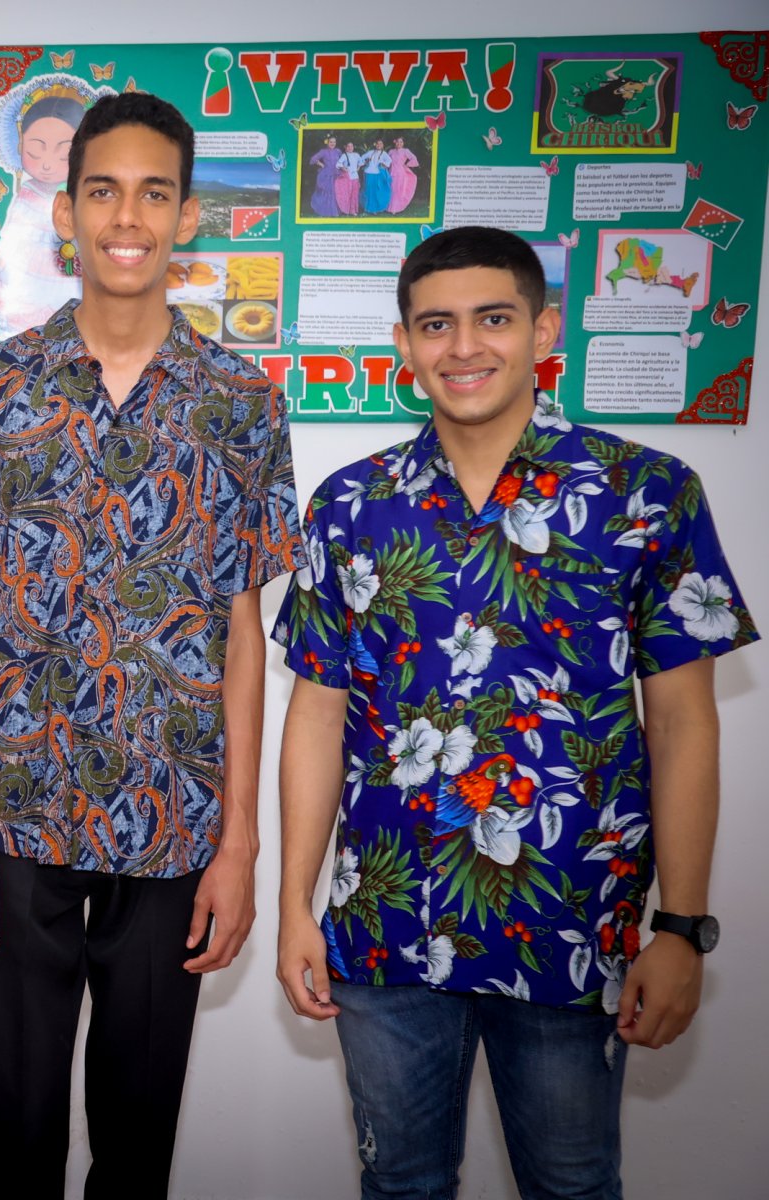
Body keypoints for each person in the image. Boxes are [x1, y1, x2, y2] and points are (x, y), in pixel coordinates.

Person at [274, 225, 755, 1199]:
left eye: (492, 319)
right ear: (404, 345)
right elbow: (317, 717)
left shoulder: (645, 494)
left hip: (571, 927)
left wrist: (682, 925)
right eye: (436, 325)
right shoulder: (350, 504)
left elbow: (682, 725)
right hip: (385, 926)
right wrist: (293, 905)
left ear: (543, 329)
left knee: (571, 1187)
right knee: (399, 1188)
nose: (464, 347)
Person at [0, 91, 303, 1197]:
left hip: (175, 822)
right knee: (12, 1133)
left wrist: (241, 842)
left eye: (153, 193)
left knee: (137, 1143)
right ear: (64, 211)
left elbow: (242, 636)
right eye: (102, 191)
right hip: (16, 811)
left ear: (186, 217)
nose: (127, 216)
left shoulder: (241, 404)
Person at [0, 74, 102, 341]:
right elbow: (14, 229)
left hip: (67, 269)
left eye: (62, 154)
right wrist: (0, 250)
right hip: (28, 271)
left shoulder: (84, 196)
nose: (47, 164)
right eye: (35, 152)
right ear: (20, 144)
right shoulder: (27, 192)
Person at [308, 134, 342, 218]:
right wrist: (321, 164)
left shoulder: (338, 151)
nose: (332, 144)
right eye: (331, 142)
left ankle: (334, 211)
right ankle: (324, 211)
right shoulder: (323, 151)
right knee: (327, 193)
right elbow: (313, 159)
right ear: (327, 142)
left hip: (336, 174)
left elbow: (342, 161)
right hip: (326, 174)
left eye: (334, 142)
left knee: (335, 192)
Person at [387, 135, 419, 215]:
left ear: (403, 143)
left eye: (401, 142)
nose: (399, 143)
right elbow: (386, 161)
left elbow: (413, 158)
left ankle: (395, 208)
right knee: (391, 189)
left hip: (400, 173)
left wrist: (407, 165)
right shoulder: (391, 151)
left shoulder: (405, 151)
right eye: (397, 142)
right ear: (395, 142)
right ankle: (389, 207)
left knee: (397, 190)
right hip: (391, 172)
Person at [360, 139, 392, 215]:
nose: (379, 145)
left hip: (378, 174)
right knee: (369, 190)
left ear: (383, 145)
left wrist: (383, 164)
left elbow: (389, 161)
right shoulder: (370, 152)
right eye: (377, 144)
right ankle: (369, 208)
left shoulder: (384, 153)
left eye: (380, 144)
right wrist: (366, 162)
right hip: (369, 173)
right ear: (375, 145)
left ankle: (376, 208)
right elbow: (362, 158)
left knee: (377, 191)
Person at [334, 140, 363, 216]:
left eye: (351, 146)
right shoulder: (344, 155)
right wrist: (344, 169)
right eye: (348, 146)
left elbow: (361, 162)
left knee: (354, 194)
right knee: (347, 194)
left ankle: (353, 210)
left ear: (353, 147)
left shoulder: (356, 155)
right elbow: (338, 164)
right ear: (345, 147)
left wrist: (358, 168)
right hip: (347, 177)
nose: (350, 148)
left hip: (355, 177)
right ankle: (346, 209)